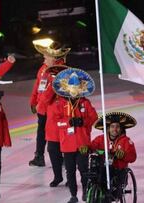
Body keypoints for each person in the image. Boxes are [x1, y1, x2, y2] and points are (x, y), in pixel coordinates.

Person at [52, 68, 98, 203]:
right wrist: (68, 122)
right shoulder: (59, 104)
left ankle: (85, 191)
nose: (74, 92)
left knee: (84, 170)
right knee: (70, 172)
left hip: (83, 143)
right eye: (72, 88)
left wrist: (83, 121)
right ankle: (73, 195)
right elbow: (55, 123)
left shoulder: (85, 102)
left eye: (76, 88)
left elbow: (94, 117)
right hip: (67, 145)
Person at [29, 41, 70, 167]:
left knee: (57, 133)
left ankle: (61, 157)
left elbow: (50, 90)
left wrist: (40, 104)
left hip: (54, 109)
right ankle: (39, 156)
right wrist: (33, 101)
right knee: (41, 132)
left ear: (54, 58)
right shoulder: (43, 68)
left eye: (47, 55)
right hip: (43, 108)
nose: (44, 57)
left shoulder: (60, 70)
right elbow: (38, 86)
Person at [90, 112, 137, 198]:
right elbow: (91, 147)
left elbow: (133, 157)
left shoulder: (126, 141)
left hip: (118, 171)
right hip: (101, 168)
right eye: (112, 127)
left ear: (121, 129)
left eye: (117, 127)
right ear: (107, 128)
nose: (115, 129)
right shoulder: (100, 139)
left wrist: (123, 155)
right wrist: (86, 148)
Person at [36, 65, 68, 187]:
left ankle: (70, 178)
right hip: (53, 129)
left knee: (69, 156)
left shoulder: (70, 89)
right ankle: (58, 176)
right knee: (53, 151)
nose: (57, 77)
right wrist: (53, 86)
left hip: (66, 128)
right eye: (55, 75)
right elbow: (43, 100)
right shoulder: (51, 88)